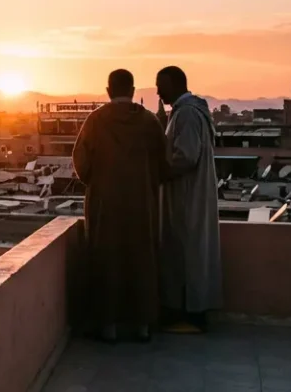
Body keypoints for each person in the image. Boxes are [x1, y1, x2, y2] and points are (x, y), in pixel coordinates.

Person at [72, 69, 167, 342]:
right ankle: (143, 326)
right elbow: (163, 162)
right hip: (142, 204)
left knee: (106, 261)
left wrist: (98, 181)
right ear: (133, 91)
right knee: (142, 261)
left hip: (105, 205)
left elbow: (81, 162)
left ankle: (108, 327)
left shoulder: (96, 121)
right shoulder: (149, 122)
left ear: (108, 90)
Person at [156, 66, 223, 333]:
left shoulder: (186, 114)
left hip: (186, 198)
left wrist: (158, 171)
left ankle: (192, 317)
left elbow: (185, 156)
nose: (158, 92)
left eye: (161, 86)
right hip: (190, 195)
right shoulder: (190, 111)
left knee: (186, 256)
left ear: (175, 84)